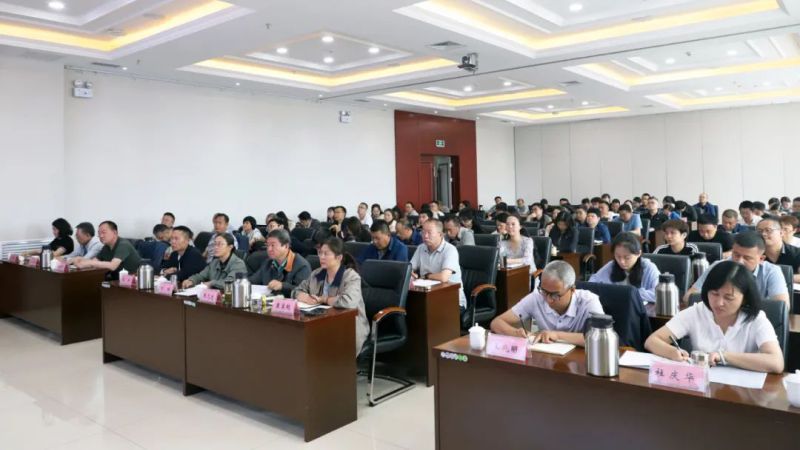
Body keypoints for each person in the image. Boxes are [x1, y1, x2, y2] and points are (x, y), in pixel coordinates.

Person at [645, 261, 783, 374]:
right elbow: (652, 341)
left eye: (729, 297)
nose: (719, 303)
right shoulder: (697, 312)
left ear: (745, 298)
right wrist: (672, 352)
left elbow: (776, 362)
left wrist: (724, 356)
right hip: (702, 387)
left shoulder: (756, 319)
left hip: (744, 392)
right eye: (714, 294)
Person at [491, 261, 603, 345]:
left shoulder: (589, 301)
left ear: (572, 290)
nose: (548, 300)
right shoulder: (537, 297)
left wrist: (557, 335)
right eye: (544, 292)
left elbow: (599, 337)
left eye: (555, 295)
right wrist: (515, 332)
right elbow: (496, 323)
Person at [294, 237, 369, 354]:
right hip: (320, 322)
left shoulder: (351, 276)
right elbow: (296, 291)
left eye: (326, 254)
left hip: (348, 325)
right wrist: (305, 297)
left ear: (339, 257)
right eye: (320, 253)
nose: (321, 257)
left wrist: (324, 299)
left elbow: (348, 302)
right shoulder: (317, 273)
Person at [684, 232, 789, 306]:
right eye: (736, 255)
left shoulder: (772, 271)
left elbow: (781, 306)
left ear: (761, 259)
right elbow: (689, 297)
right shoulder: (718, 266)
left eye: (747, 258)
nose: (739, 261)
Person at [410, 220, 467, 309]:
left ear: (440, 234)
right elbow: (409, 268)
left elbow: (444, 277)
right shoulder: (421, 248)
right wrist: (411, 274)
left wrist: (426, 276)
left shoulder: (450, 250)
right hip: (427, 296)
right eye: (423, 232)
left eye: (429, 233)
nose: (425, 236)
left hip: (451, 300)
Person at [589, 232, 660, 303]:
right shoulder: (612, 265)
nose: (621, 261)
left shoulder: (648, 267)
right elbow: (591, 284)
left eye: (627, 257)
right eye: (618, 256)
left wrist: (631, 293)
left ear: (638, 253)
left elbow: (659, 294)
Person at [248, 229, 311, 297]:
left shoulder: (302, 266)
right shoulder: (268, 263)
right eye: (267, 245)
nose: (269, 249)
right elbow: (252, 281)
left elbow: (303, 292)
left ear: (286, 246)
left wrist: (282, 286)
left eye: (273, 245)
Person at [73, 221, 141, 279]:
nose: (101, 236)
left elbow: (113, 266)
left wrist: (90, 263)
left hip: (132, 281)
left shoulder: (123, 245)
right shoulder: (106, 247)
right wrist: (81, 261)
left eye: (104, 232)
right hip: (116, 280)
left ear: (115, 233)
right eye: (99, 233)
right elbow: (94, 261)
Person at [757, 217, 800, 283]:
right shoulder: (754, 253)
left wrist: (776, 278)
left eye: (768, 230)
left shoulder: (797, 253)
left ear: (781, 233)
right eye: (760, 231)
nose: (763, 234)